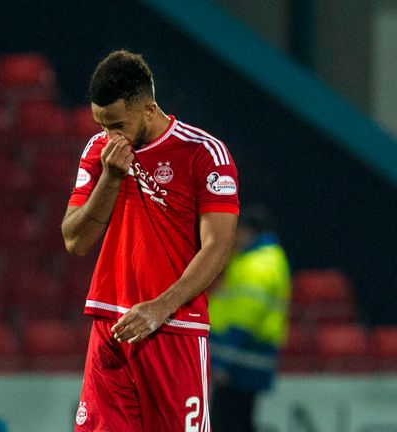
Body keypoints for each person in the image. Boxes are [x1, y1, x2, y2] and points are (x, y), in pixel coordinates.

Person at [61, 50, 240, 431]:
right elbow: (75, 239)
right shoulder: (99, 152)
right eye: (101, 124)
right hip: (110, 329)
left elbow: (218, 246)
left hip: (175, 332)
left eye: (117, 125)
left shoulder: (204, 153)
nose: (109, 136)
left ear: (148, 109)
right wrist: (110, 178)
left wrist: (159, 308)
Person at [208, 205, 291, 432]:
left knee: (228, 421)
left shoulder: (258, 265)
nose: (234, 237)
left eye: (238, 230)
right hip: (244, 360)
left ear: (250, 232)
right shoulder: (262, 260)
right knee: (239, 420)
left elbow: (243, 321)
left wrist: (223, 363)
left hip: (240, 361)